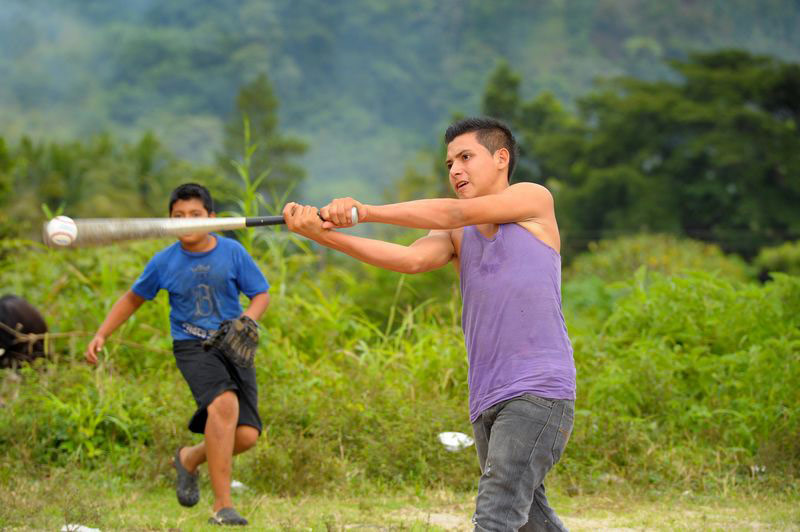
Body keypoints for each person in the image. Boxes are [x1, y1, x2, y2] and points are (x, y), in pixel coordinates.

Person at [284, 117, 576, 531]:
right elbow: (410, 259)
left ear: (501, 158)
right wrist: (322, 235)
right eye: (449, 163)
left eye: (466, 157)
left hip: (539, 389)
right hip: (487, 396)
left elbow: (454, 210)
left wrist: (363, 211)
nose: (455, 169)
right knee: (530, 521)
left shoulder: (532, 200)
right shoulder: (458, 233)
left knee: (495, 515)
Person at [86, 183, 270, 526]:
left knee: (245, 436)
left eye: (195, 216)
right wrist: (101, 333)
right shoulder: (164, 261)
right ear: (169, 222)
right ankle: (222, 506)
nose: (186, 222)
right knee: (223, 405)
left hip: (232, 343)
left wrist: (247, 320)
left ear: (212, 219)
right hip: (193, 346)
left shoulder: (232, 253)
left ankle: (188, 458)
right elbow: (132, 298)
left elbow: (260, 294)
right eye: (178, 217)